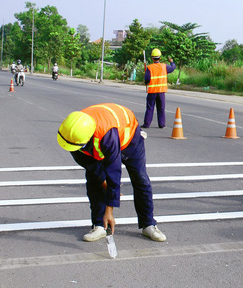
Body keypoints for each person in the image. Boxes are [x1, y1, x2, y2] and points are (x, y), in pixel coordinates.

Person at [57, 103, 167, 242]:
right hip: (102, 132)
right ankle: (99, 225)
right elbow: (92, 167)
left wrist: (109, 211)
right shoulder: (71, 133)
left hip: (129, 137)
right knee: (93, 180)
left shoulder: (108, 136)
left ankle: (148, 224)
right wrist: (105, 184)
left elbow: (114, 173)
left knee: (140, 178)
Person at [142, 48, 176, 128]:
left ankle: (147, 124)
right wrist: (171, 62)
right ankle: (162, 124)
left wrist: (146, 82)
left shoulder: (149, 68)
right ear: (160, 58)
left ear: (152, 58)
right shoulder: (164, 66)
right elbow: (172, 68)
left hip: (152, 92)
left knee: (150, 108)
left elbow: (146, 79)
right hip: (161, 92)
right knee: (161, 108)